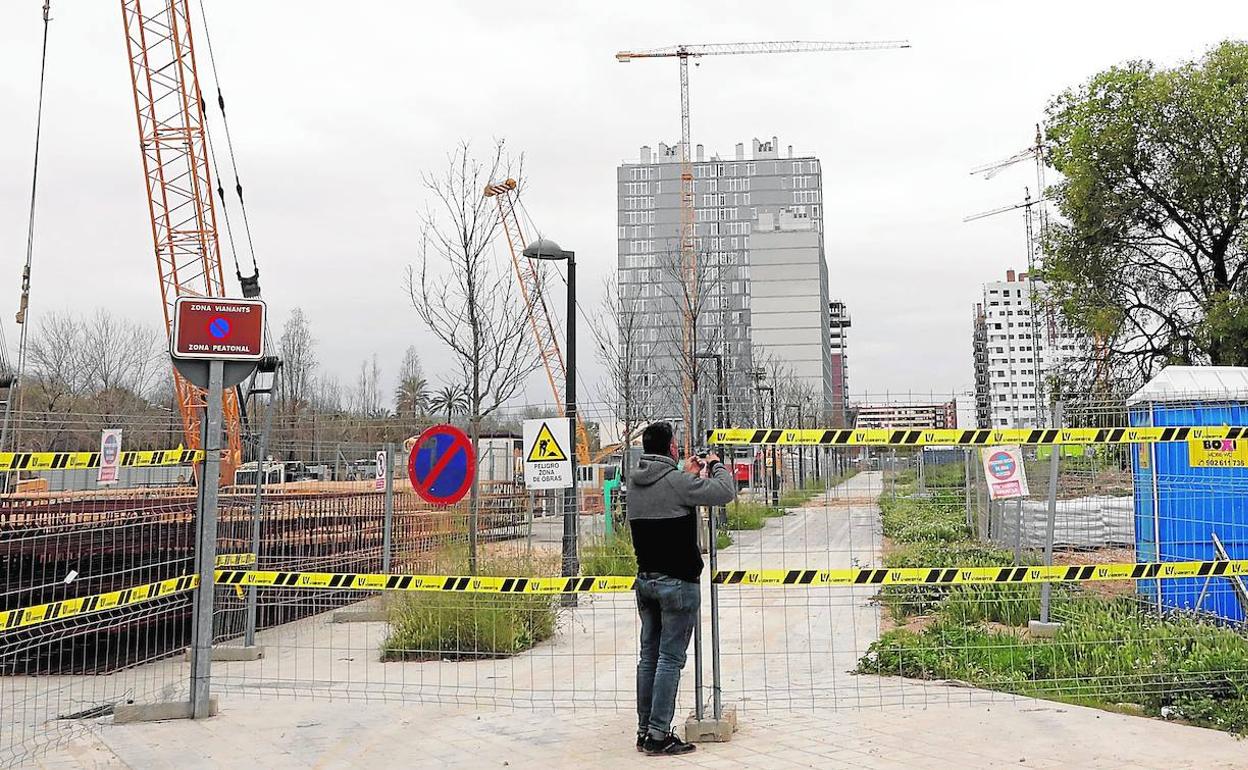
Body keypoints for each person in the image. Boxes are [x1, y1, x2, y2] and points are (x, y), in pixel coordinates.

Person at [627, 421, 737, 756]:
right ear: (672, 448)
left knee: (649, 657)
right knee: (670, 658)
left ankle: (645, 729)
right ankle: (660, 735)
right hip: (677, 583)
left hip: (646, 581)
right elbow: (724, 492)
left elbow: (672, 488)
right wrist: (715, 464)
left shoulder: (634, 484)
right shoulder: (678, 483)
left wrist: (684, 473)